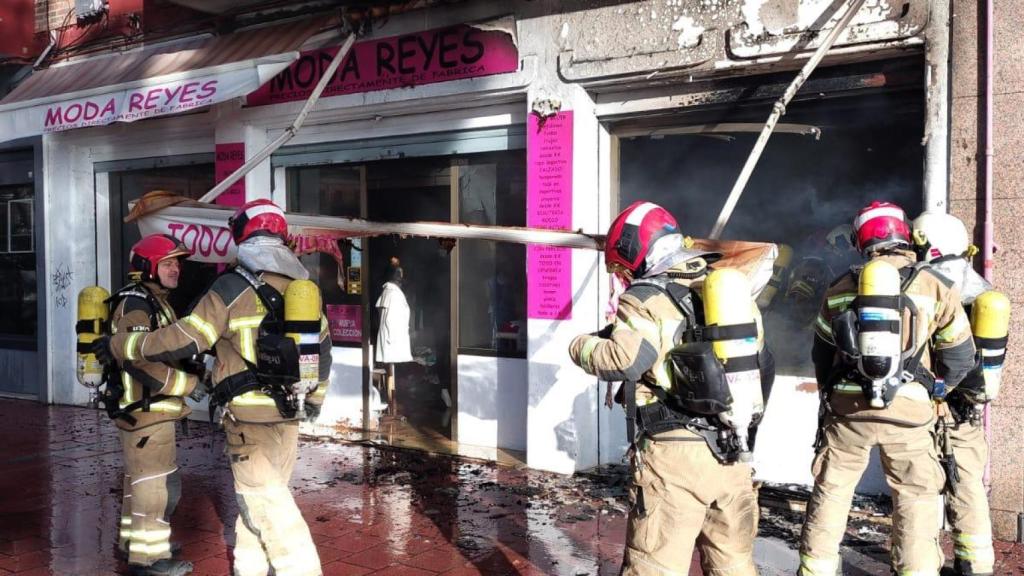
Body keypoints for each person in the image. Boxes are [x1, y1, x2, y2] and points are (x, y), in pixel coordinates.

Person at [97, 200, 330, 576]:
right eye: (169, 263)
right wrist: (315, 399)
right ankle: (248, 568)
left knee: (266, 503)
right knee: (255, 500)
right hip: (289, 413)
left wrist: (125, 346)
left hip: (248, 420)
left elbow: (189, 336)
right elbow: (322, 350)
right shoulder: (303, 288)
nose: (176, 269)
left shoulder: (231, 285)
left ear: (242, 234)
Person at [568, 201, 771, 575]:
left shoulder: (646, 297)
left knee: (654, 565)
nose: (624, 275)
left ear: (634, 250)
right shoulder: (727, 290)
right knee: (734, 564)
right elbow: (764, 364)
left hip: (675, 456)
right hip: (732, 450)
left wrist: (581, 345)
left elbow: (624, 360)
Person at [799, 201, 977, 575]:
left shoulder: (840, 287)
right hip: (911, 411)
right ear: (906, 236)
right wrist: (936, 390)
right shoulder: (935, 285)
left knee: (832, 490)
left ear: (860, 241)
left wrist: (830, 396)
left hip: (849, 411)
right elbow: (961, 358)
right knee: (915, 496)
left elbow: (821, 353)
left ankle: (815, 568)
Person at [108, 234, 200, 576]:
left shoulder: (153, 300)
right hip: (146, 412)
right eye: (168, 263)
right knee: (156, 488)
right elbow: (136, 360)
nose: (177, 269)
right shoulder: (138, 305)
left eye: (178, 262)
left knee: (141, 483)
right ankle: (151, 560)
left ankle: (136, 544)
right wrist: (188, 384)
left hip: (147, 412)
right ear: (147, 267)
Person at [914, 211, 997, 576]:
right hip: (968, 412)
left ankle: (922, 564)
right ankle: (976, 564)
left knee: (918, 489)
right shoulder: (982, 290)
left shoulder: (932, 289)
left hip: (934, 406)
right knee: (968, 488)